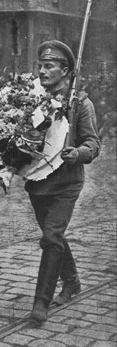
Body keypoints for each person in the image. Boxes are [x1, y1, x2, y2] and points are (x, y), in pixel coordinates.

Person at [27, 41, 100, 323]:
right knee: (52, 234)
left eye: (49, 66)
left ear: (65, 70)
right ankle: (71, 281)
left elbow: (93, 144)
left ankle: (40, 302)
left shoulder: (80, 103)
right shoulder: (32, 99)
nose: (42, 71)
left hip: (67, 182)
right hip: (38, 181)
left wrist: (77, 153)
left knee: (51, 237)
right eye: (40, 66)